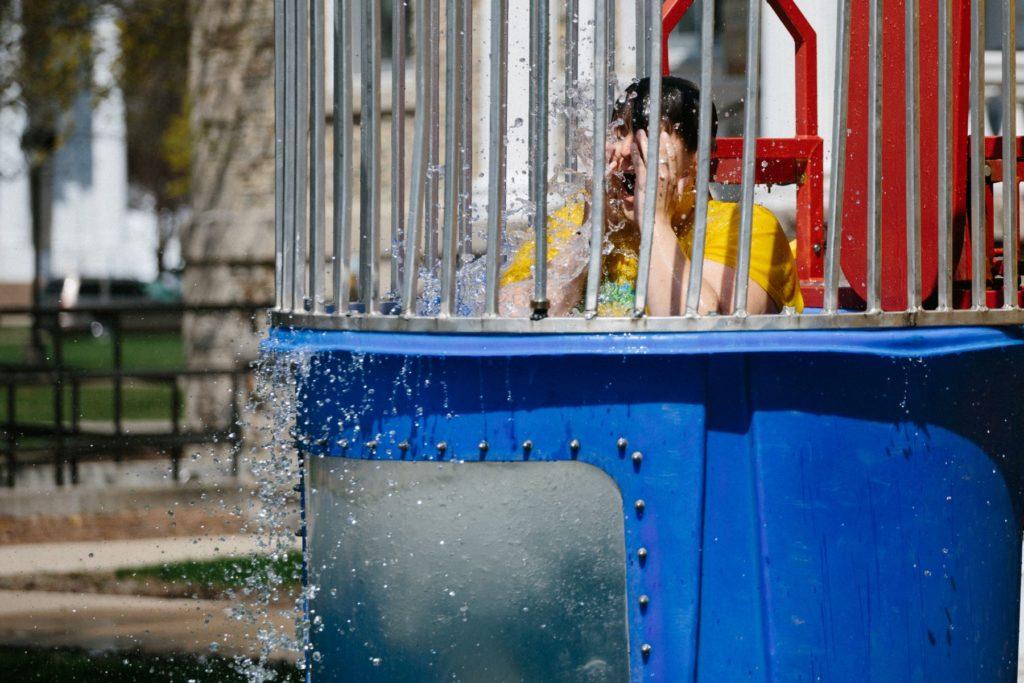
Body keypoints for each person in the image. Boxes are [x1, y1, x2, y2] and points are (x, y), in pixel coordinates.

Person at [499, 77, 804, 317]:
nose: (626, 151)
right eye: (620, 134)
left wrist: (656, 222)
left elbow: (701, 324)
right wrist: (590, 235)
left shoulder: (743, 226)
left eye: (647, 137)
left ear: (698, 157)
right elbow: (511, 315)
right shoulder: (574, 219)